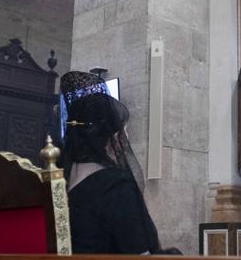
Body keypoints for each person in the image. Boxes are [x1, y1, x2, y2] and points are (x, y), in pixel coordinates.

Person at [60, 71, 180, 254]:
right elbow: (138, 253)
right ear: (111, 138)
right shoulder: (116, 186)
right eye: (123, 131)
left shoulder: (58, 181)